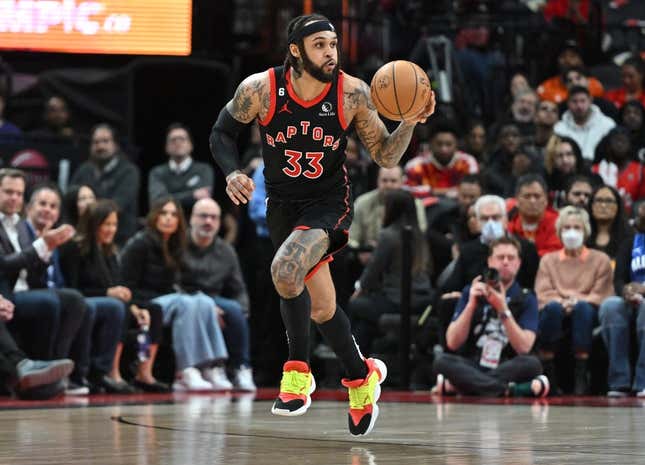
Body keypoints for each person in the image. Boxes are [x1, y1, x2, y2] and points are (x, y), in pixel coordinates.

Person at [209, 13, 435, 436]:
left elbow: (385, 156)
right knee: (323, 307)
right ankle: (360, 377)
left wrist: (409, 121)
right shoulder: (259, 89)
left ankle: (297, 373)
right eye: (319, 45)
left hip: (328, 203)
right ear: (295, 51)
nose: (330, 52)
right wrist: (231, 172)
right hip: (282, 205)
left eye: (333, 44)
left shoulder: (352, 93)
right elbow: (221, 134)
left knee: (286, 270)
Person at [24, 185, 128, 394]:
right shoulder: (68, 243)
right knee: (78, 303)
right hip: (43, 293)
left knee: (116, 307)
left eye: (53, 206)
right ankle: (71, 375)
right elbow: (71, 284)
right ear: (29, 208)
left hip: (61, 293)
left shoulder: (105, 250)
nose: (47, 209)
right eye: (42, 204)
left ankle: (98, 374)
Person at [120, 197, 230, 391]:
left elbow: (175, 284)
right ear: (154, 217)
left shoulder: (175, 244)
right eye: (163, 213)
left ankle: (211, 366)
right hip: (144, 303)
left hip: (167, 300)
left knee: (204, 301)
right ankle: (185, 370)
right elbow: (127, 287)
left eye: (173, 215)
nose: (168, 219)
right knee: (186, 303)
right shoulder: (139, 244)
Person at [59, 200, 169, 393]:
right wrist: (107, 293)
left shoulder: (109, 251)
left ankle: (144, 374)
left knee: (153, 309)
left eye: (114, 224)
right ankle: (110, 372)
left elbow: (117, 286)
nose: (111, 229)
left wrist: (135, 307)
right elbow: (72, 289)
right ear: (93, 224)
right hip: (84, 302)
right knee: (117, 305)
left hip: (109, 303)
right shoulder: (74, 248)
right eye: (106, 224)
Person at [432, 237, 548, 398]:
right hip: (473, 363)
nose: (506, 262)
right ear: (490, 261)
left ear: (519, 263)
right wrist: (471, 304)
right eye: (501, 258)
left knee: (532, 364)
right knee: (442, 361)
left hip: (507, 364)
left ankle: (463, 387)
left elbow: (524, 347)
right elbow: (452, 342)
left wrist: (503, 309)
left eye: (511, 258)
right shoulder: (471, 292)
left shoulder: (527, 297)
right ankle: (510, 390)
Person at [535, 206, 614, 394]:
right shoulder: (548, 260)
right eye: (566, 227)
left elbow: (602, 292)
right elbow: (543, 292)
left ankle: (581, 372)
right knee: (552, 308)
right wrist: (563, 302)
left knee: (583, 309)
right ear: (559, 231)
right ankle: (549, 371)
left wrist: (576, 300)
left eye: (577, 228)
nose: (571, 232)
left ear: (585, 231)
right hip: (557, 308)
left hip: (587, 309)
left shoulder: (600, 259)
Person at [182, 198, 256, 391]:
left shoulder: (226, 251)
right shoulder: (177, 245)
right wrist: (206, 307)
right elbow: (169, 283)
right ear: (191, 219)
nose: (208, 222)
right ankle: (210, 367)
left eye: (214, 217)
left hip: (215, 299)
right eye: (203, 216)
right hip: (184, 299)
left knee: (235, 310)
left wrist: (243, 312)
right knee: (208, 307)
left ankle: (241, 368)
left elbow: (238, 288)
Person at [349, 189, 433, 356]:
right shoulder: (419, 234)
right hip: (423, 298)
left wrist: (359, 288)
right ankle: (367, 357)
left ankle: (354, 362)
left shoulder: (389, 235)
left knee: (354, 305)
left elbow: (373, 271)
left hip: (398, 300)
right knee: (365, 324)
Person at [598, 202, 645, 397]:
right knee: (610, 306)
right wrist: (626, 291)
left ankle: (642, 381)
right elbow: (619, 278)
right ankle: (620, 381)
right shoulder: (632, 241)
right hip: (633, 300)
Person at [70, 123, 140, 244]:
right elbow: (70, 198)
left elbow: (118, 205)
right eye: (96, 142)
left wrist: (87, 209)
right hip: (87, 236)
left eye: (105, 141)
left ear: (116, 145)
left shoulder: (129, 171)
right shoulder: (84, 170)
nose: (100, 146)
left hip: (119, 238)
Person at [147, 123, 214, 213]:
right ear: (166, 147)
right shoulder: (157, 172)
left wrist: (169, 197)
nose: (178, 143)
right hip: (167, 223)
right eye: (173, 140)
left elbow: (204, 200)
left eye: (182, 139)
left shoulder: (204, 170)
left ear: (191, 145)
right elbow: (157, 202)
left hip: (194, 223)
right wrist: (192, 195)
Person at [553, 86, 615, 161]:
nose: (579, 106)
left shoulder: (608, 125)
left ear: (590, 101)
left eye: (583, 101)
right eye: (574, 101)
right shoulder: (559, 128)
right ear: (568, 103)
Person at [507, 174, 562, 256]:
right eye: (527, 196)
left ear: (546, 200)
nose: (532, 201)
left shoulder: (559, 224)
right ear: (517, 201)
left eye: (537, 196)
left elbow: (555, 253)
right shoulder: (509, 226)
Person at [587, 185, 629, 263]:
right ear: (591, 205)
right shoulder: (583, 236)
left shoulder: (630, 238)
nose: (603, 205)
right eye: (599, 200)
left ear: (618, 206)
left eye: (609, 201)